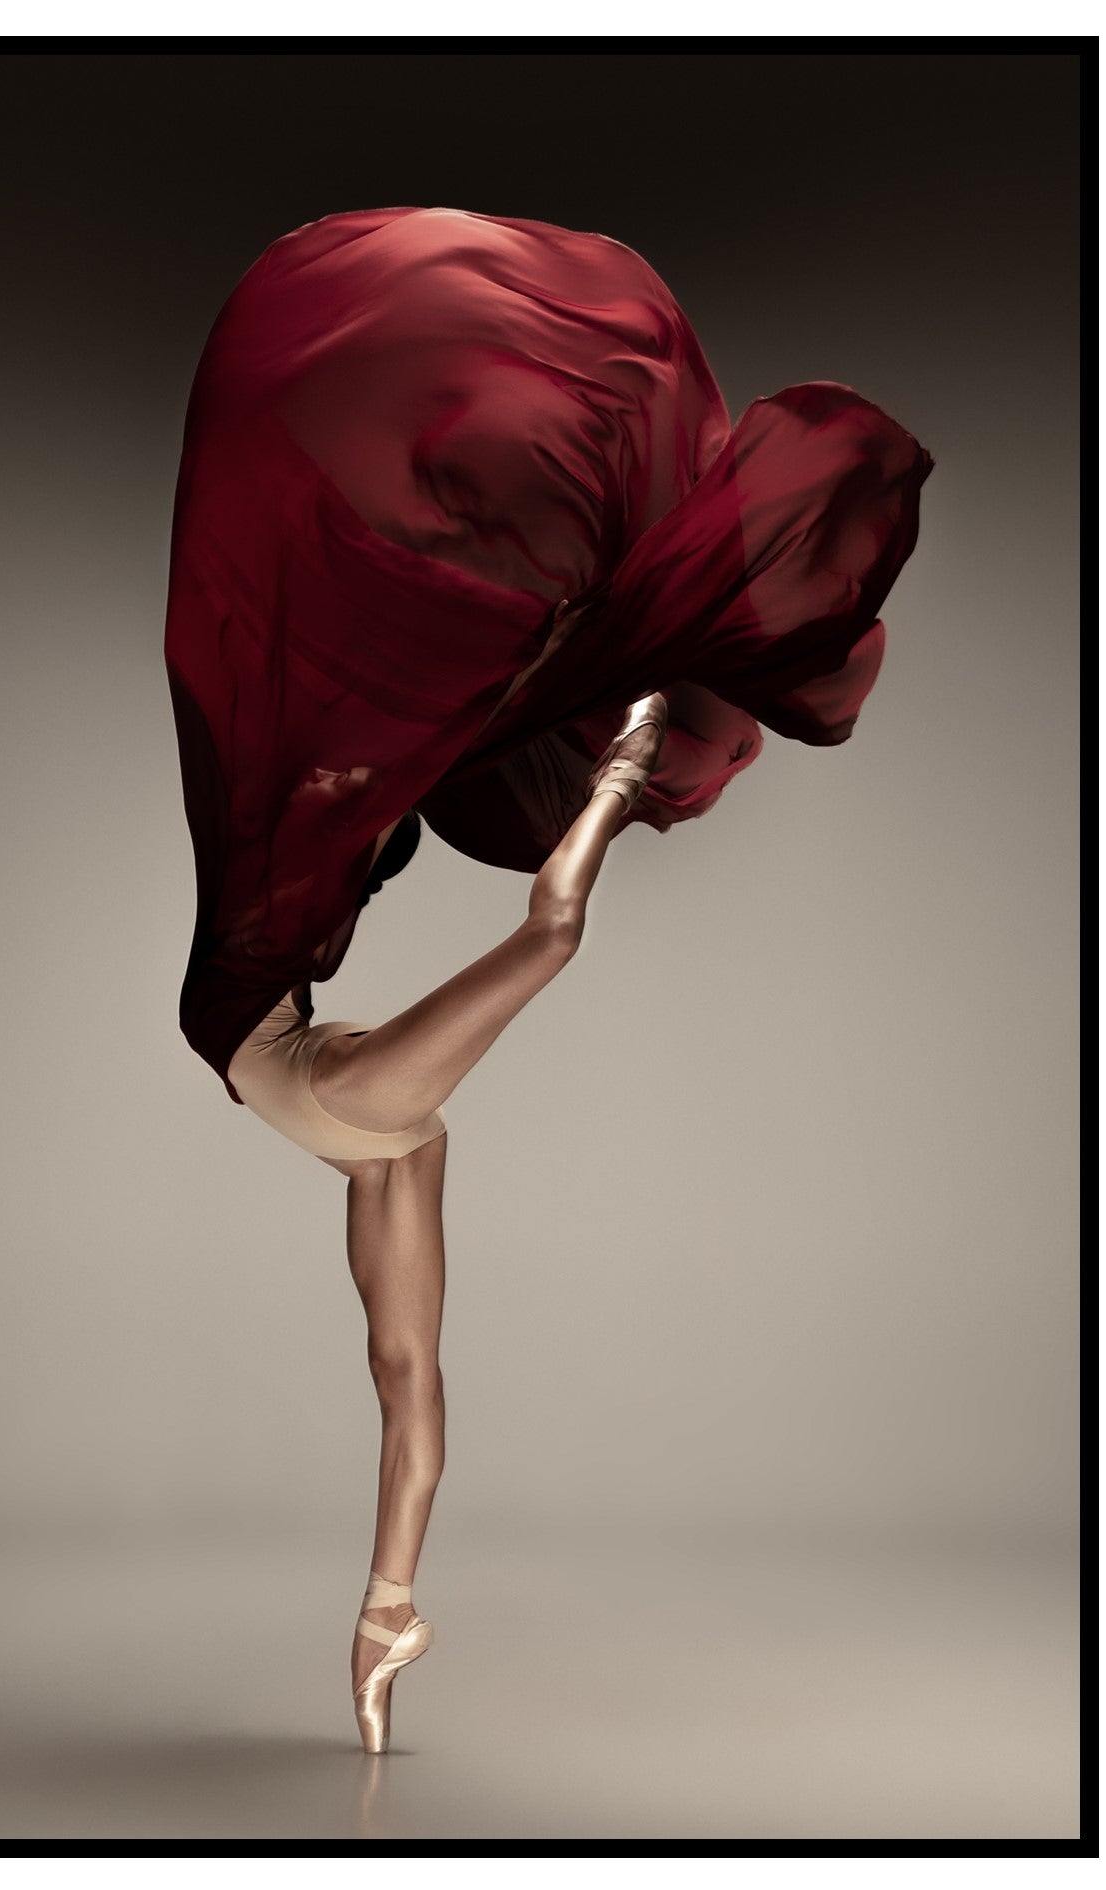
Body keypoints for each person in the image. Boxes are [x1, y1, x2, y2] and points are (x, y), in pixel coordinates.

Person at [163, 206, 934, 1753]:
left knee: (406, 1372)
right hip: (328, 1071)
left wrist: (612, 758)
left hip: (317, 1060)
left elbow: (539, 935)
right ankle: (388, 1609)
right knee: (408, 1375)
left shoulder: (355, 1086)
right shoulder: (373, 1102)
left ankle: (390, 1611)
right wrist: (617, 764)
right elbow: (542, 935)